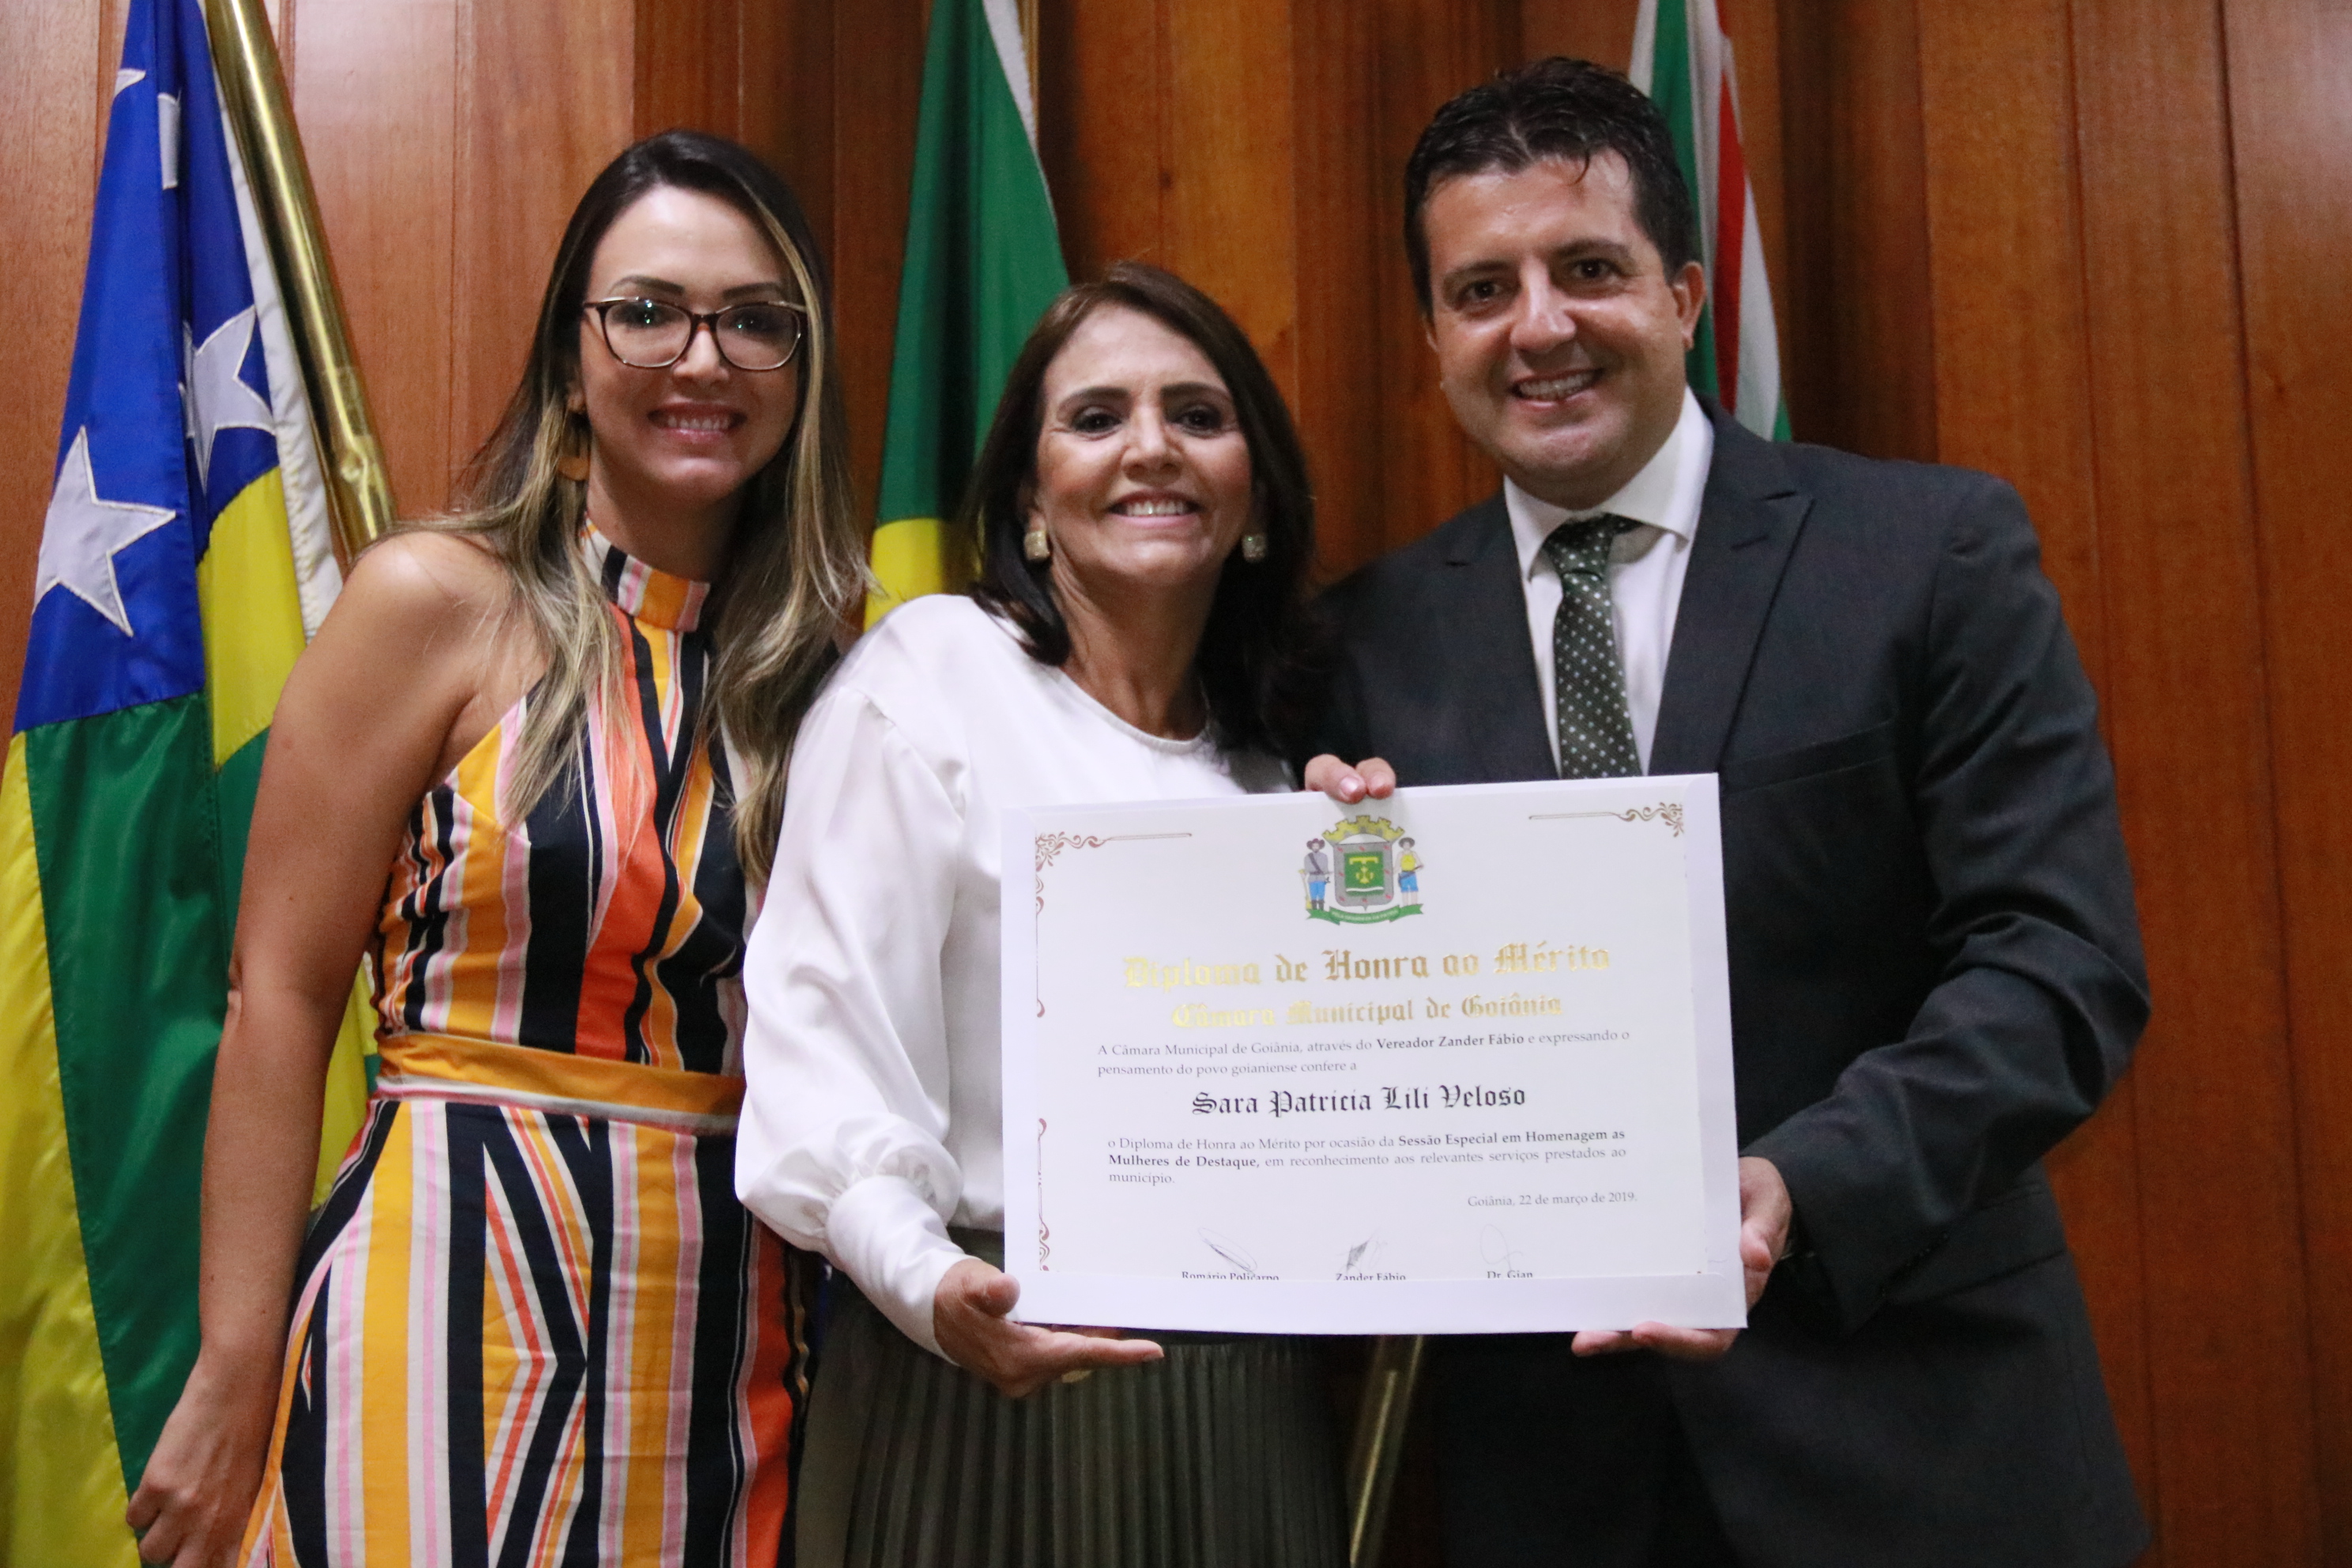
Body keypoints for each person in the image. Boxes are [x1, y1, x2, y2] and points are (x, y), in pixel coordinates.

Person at [1306, 58, 2150, 1568]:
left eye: (1589, 270)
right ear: (1433, 338)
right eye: (1483, 289)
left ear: (1685, 294)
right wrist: (1317, 898)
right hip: (1553, 1480)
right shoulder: (1359, 645)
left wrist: (1800, 1188)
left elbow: (2058, 964)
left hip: (1915, 1440)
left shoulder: (1928, 553)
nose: (1539, 327)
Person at [123, 130, 865, 1567]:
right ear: (570, 360)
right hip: (440, 1297)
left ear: (804, 363)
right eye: (646, 312)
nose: (702, 357)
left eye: (755, 321)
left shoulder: (839, 673)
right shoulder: (433, 603)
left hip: (731, 1337)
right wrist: (234, 1364)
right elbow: (280, 994)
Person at [736, 262, 1342, 1566]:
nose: (1151, 448)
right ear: (1029, 497)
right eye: (1097, 417)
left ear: (1252, 491)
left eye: (1197, 414)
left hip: (1246, 1399)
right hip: (981, 1364)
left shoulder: (1278, 778)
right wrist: (929, 1282)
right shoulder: (933, 676)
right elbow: (820, 1032)